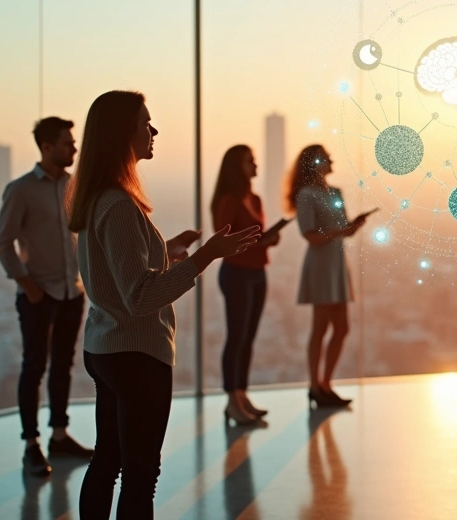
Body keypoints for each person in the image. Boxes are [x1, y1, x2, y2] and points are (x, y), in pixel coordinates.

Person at [68, 91, 259, 519]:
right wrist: (204, 257)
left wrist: (167, 251)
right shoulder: (118, 204)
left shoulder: (100, 197)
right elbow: (139, 296)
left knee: (107, 461)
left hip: (106, 347)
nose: (153, 131)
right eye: (145, 124)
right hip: (135, 353)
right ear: (123, 134)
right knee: (139, 473)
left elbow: (117, 268)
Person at [0, 117, 94, 477]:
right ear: (47, 147)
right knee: (34, 367)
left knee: (64, 366)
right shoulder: (20, 190)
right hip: (39, 294)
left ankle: (59, 435)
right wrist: (27, 285)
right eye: (68, 143)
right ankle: (31, 444)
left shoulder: (75, 186)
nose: (74, 148)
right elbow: (3, 243)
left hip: (72, 291)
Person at [288, 144, 368, 408]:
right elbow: (310, 235)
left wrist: (353, 226)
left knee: (342, 328)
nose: (331, 159)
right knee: (321, 327)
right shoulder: (306, 195)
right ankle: (316, 385)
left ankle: (325, 383)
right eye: (325, 157)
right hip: (321, 264)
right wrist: (338, 231)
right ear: (315, 164)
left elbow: (341, 231)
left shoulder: (335, 192)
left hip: (335, 261)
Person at [211, 144, 281, 425]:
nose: (255, 165)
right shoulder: (229, 199)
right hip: (237, 273)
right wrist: (258, 242)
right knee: (236, 337)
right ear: (236, 167)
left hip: (257, 272)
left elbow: (256, 235)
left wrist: (267, 240)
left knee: (247, 338)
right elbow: (223, 244)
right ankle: (232, 401)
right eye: (249, 161)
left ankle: (241, 394)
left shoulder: (255, 198)